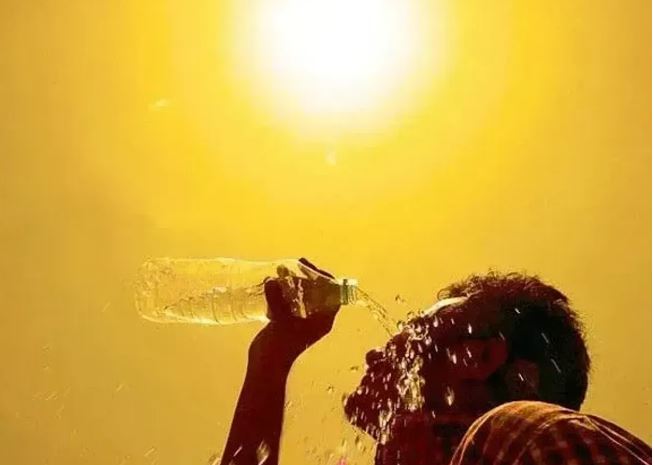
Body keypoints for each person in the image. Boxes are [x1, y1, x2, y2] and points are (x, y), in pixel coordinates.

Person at [219, 261, 651, 465]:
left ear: (477, 357)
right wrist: (272, 358)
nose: (376, 353)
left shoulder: (518, 433)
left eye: (415, 330)